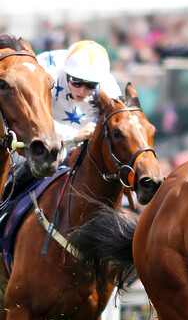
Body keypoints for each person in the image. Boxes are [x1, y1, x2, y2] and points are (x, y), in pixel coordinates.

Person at [3, 40, 122, 200]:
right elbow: (34, 121)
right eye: (77, 83)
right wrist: (74, 136)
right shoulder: (45, 69)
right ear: (65, 73)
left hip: (81, 150)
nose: (82, 90)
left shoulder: (109, 86)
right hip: (36, 144)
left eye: (90, 86)